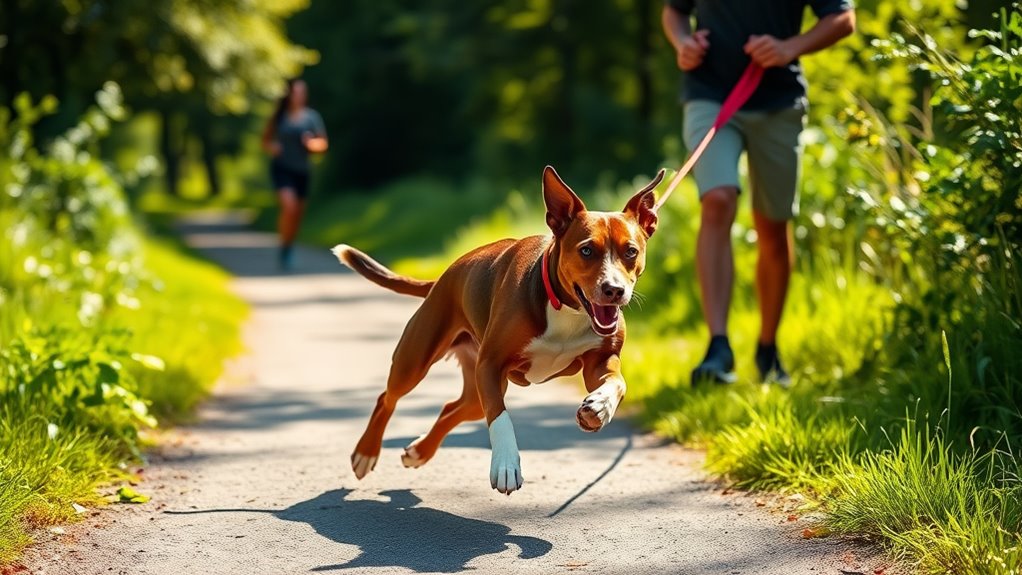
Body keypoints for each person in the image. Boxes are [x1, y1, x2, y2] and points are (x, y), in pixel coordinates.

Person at [661, 0, 855, 386]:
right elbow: (675, 11)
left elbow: (843, 19)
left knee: (772, 226)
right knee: (717, 199)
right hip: (709, 94)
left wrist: (789, 48)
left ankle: (768, 348)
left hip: (778, 103)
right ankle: (718, 348)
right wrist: (682, 42)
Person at [262, 78, 329, 271]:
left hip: (302, 171)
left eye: (302, 92)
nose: (299, 96)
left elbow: (323, 143)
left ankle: (288, 245)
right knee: (289, 207)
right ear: (289, 94)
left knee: (297, 214)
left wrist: (311, 145)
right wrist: (272, 147)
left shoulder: (311, 117)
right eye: (296, 92)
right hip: (282, 169)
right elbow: (265, 140)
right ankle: (283, 245)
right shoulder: (279, 117)